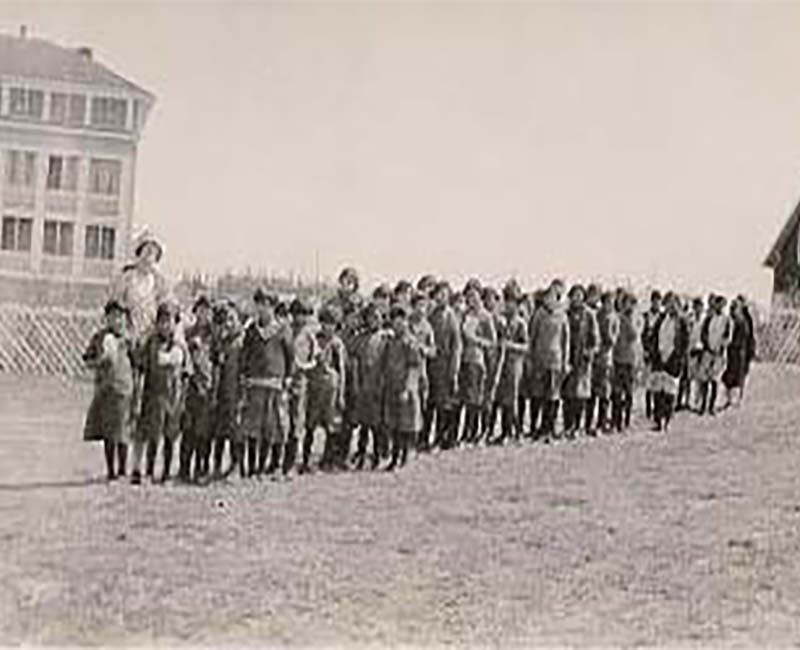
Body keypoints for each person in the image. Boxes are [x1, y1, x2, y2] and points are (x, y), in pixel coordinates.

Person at [239, 288, 293, 477]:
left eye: (265, 305)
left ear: (272, 307)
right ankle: (252, 467)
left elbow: (290, 356)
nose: (261, 309)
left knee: (270, 429)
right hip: (255, 384)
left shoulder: (282, 330)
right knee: (253, 429)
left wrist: (287, 378)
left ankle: (265, 466)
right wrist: (244, 374)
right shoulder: (252, 330)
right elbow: (245, 355)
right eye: (258, 304)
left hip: (274, 385)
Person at [131, 302, 186, 485]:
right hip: (153, 394)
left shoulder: (179, 344)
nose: (165, 325)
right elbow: (140, 362)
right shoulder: (151, 343)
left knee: (170, 436)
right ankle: (148, 471)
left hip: (173, 396)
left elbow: (183, 368)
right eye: (161, 321)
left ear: (175, 323)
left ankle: (167, 473)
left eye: (169, 321)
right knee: (152, 435)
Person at [82, 299, 135, 481]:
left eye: (120, 316)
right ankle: (111, 470)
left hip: (124, 391)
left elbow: (138, 363)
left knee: (123, 432)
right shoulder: (100, 338)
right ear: (106, 318)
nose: (116, 320)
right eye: (112, 316)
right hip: (105, 391)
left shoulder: (129, 339)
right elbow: (87, 361)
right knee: (108, 433)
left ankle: (122, 470)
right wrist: (101, 360)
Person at [304, 305, 347, 473]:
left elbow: (341, 370)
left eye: (331, 323)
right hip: (315, 388)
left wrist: (341, 394)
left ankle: (327, 459)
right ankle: (306, 459)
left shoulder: (337, 344)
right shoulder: (314, 340)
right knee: (310, 425)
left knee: (331, 425)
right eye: (324, 323)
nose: (327, 327)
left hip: (332, 388)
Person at [381, 305, 424, 471]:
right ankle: (394, 457)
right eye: (395, 322)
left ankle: (404, 456)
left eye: (401, 322)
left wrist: (408, 389)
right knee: (394, 425)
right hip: (392, 386)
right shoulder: (391, 342)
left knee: (405, 425)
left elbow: (414, 367)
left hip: (406, 389)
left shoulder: (410, 342)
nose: (398, 325)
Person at [178, 295, 215, 483]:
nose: (204, 314)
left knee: (205, 433)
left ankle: (202, 468)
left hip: (208, 389)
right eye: (200, 310)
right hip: (191, 388)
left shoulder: (215, 335)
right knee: (188, 430)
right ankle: (184, 469)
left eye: (207, 310)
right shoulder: (187, 333)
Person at [487, 283, 528, 445]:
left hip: (514, 364)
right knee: (501, 397)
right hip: (501, 363)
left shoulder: (521, 323)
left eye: (513, 302)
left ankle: (511, 432)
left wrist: (510, 345)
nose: (509, 305)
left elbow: (525, 346)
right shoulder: (500, 321)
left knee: (510, 399)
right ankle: (507, 431)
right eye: (507, 301)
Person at [528, 284, 569, 442]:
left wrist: (565, 362)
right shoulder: (539, 314)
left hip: (556, 361)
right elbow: (533, 337)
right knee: (538, 395)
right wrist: (531, 358)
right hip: (540, 360)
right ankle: (536, 428)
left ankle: (549, 428)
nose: (550, 299)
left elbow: (566, 341)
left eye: (553, 296)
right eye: (547, 296)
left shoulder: (562, 316)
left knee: (552, 396)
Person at [353, 302, 390, 469]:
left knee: (376, 424)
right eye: (370, 318)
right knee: (364, 425)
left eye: (377, 317)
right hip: (363, 386)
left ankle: (376, 455)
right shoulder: (361, 338)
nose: (374, 321)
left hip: (378, 385)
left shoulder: (385, 338)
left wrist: (383, 384)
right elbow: (356, 359)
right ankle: (360, 453)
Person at [458, 284, 496, 444]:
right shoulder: (464, 314)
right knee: (466, 398)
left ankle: (477, 432)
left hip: (477, 360)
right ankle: (467, 431)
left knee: (476, 399)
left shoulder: (485, 316)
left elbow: (492, 342)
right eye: (468, 296)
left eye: (474, 296)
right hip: (463, 360)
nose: (471, 299)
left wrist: (475, 339)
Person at [211, 301, 245, 478]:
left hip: (236, 394)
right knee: (219, 432)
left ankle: (236, 466)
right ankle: (216, 467)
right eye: (226, 321)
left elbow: (246, 370)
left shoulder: (242, 343)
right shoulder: (223, 343)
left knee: (235, 433)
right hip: (222, 393)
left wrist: (242, 396)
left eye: (232, 319)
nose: (229, 324)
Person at [427, 281, 463, 450]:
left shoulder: (452, 317)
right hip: (431, 367)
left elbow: (456, 347)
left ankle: (442, 438)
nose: (441, 297)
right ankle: (425, 438)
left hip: (446, 366)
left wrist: (454, 371)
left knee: (444, 405)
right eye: (438, 294)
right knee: (430, 404)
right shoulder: (431, 315)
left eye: (444, 294)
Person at [648, 292, 689, 432]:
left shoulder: (681, 321)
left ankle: (667, 419)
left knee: (670, 392)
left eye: (673, 303)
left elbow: (685, 343)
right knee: (658, 391)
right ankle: (658, 420)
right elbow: (653, 337)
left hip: (673, 360)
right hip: (659, 359)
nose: (670, 306)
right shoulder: (661, 319)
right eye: (667, 303)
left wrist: (678, 357)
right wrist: (654, 353)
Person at [285, 297, 317, 475]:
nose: (301, 318)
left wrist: (302, 366)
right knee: (282, 423)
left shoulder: (309, 336)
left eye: (305, 315)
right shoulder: (286, 332)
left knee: (296, 424)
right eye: (298, 314)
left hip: (300, 384)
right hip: (284, 383)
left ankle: (291, 464)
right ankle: (277, 462)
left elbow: (314, 361)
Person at [562, 284, 598, 438]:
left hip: (582, 361)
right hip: (568, 358)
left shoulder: (589, 315)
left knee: (580, 396)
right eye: (574, 295)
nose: (577, 298)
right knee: (567, 395)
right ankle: (567, 425)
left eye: (579, 295)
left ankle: (577, 426)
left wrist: (589, 352)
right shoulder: (566, 314)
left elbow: (595, 339)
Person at [589, 291, 619, 433]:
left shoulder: (614, 318)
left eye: (612, 302)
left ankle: (602, 423)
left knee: (605, 394)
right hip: (595, 359)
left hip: (607, 360)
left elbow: (613, 339)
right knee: (592, 393)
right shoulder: (596, 316)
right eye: (607, 302)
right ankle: (588, 423)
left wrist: (607, 331)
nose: (610, 305)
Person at [409, 291, 437, 451]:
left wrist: (425, 350)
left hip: (422, 371)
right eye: (418, 306)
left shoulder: (427, 327)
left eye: (424, 306)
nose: (421, 309)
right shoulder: (407, 324)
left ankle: (422, 439)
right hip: (407, 371)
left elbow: (434, 351)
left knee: (423, 405)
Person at [698, 294, 732, 416]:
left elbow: (727, 337)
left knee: (714, 380)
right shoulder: (709, 319)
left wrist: (720, 347)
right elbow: (703, 334)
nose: (719, 307)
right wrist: (707, 344)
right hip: (708, 352)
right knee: (704, 380)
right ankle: (703, 405)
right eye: (718, 304)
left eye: (722, 305)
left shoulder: (726, 320)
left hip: (718, 354)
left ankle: (712, 406)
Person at [611, 292, 639, 432]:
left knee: (628, 393)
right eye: (627, 303)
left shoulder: (634, 319)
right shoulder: (618, 318)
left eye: (632, 303)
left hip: (630, 359)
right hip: (618, 358)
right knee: (616, 392)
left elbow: (634, 337)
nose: (630, 306)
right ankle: (616, 420)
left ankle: (626, 420)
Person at [721, 299, 750, 409]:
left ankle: (736, 400)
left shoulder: (743, 323)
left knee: (737, 376)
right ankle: (728, 400)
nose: (732, 311)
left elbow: (741, 340)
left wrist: (730, 344)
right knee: (728, 376)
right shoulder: (731, 322)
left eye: (734, 309)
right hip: (731, 353)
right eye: (731, 309)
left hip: (738, 353)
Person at [641, 290, 663, 421]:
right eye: (654, 300)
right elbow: (642, 334)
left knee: (657, 382)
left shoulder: (663, 317)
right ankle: (648, 408)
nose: (656, 303)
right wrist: (645, 349)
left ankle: (657, 408)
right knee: (648, 382)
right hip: (647, 352)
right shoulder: (645, 316)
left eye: (658, 301)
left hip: (659, 354)